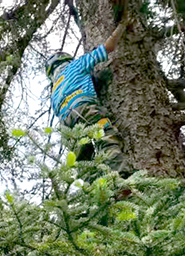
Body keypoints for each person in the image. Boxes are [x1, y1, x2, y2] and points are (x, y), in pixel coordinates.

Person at [46, 22, 128, 172]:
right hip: (84, 108)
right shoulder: (76, 65)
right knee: (106, 137)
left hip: (66, 125)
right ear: (66, 60)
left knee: (84, 163)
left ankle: (97, 192)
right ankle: (121, 178)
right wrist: (121, 26)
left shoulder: (54, 92)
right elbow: (107, 48)